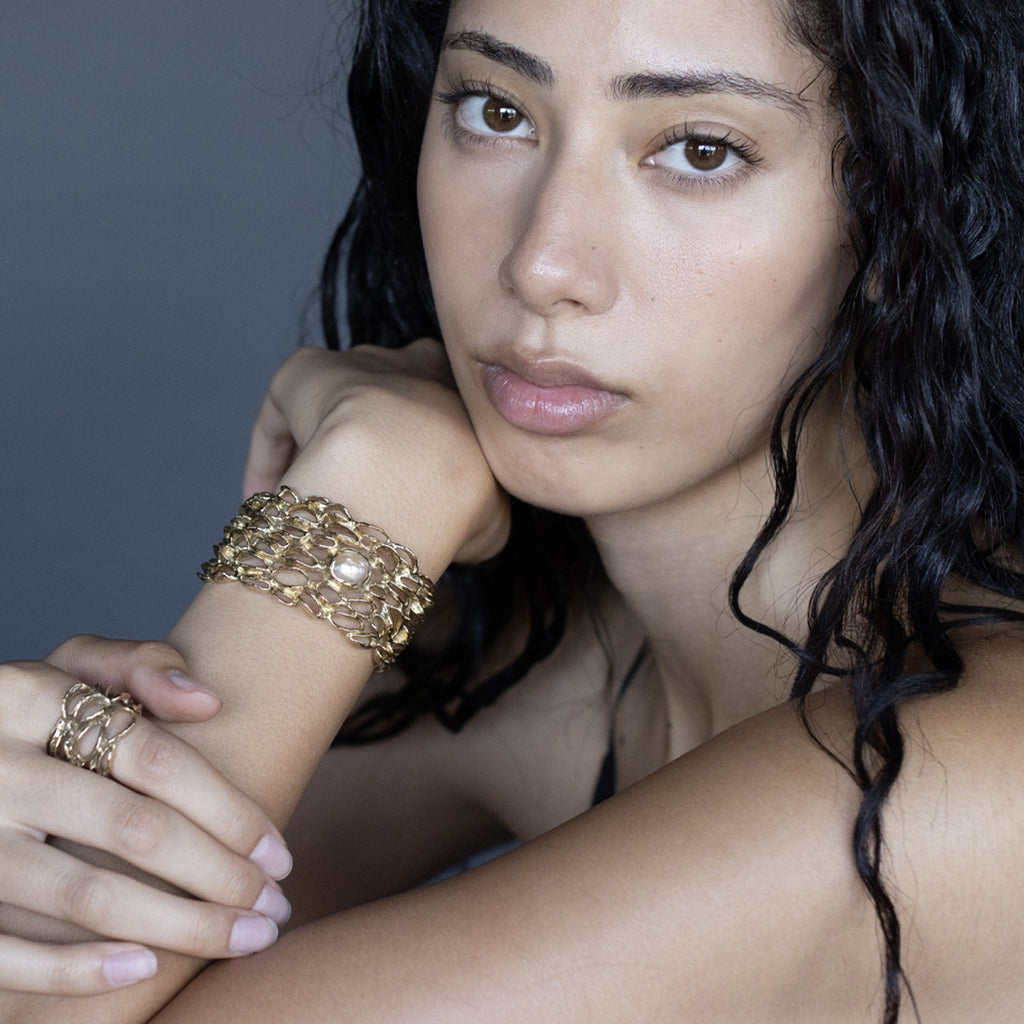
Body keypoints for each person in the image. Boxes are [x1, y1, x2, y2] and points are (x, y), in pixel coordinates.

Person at [1, 0, 1023, 1020]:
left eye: (699, 149)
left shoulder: (957, 781)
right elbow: (60, 951)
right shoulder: (546, 667)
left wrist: (380, 477)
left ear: (901, 213)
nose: (540, 263)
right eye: (495, 111)